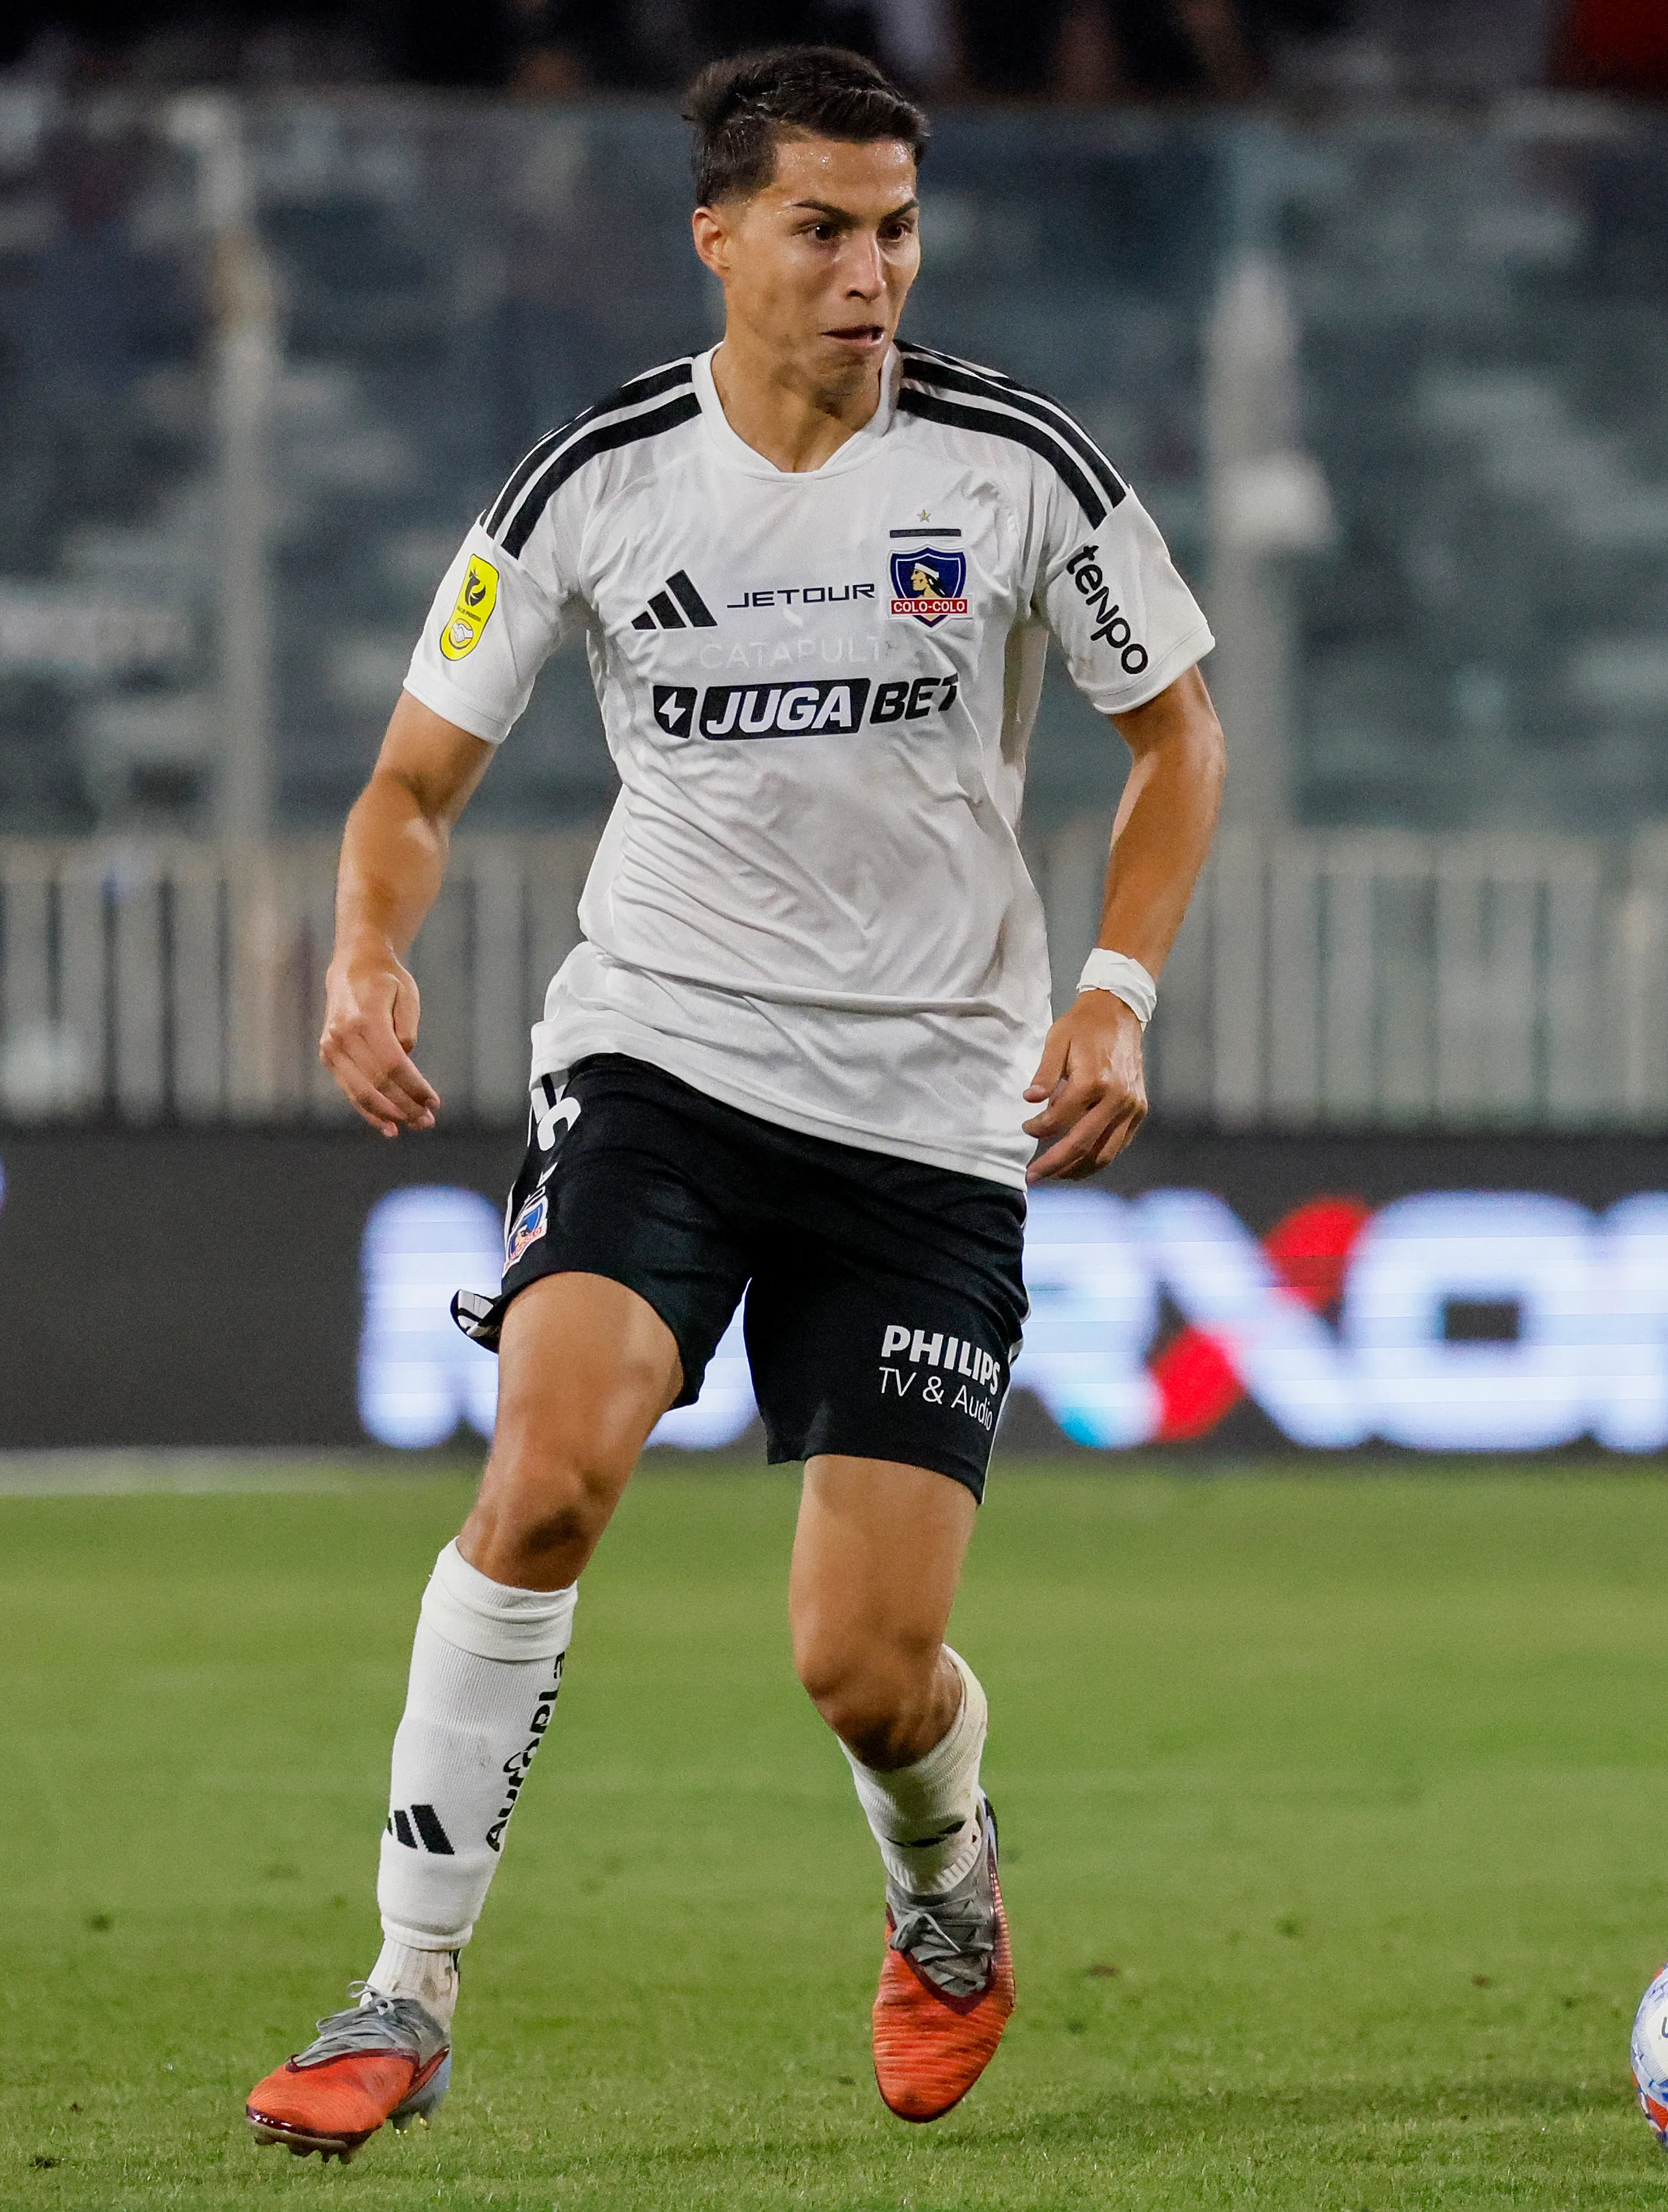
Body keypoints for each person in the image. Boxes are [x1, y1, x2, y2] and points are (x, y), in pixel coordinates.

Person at [242, 42, 1226, 2159]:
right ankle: (405, 1987)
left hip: (932, 1115)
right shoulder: (596, 481)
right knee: (546, 1481)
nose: (872, 273)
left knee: (864, 1670)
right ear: (717, 236)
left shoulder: (1015, 465)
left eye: (898, 230)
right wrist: (365, 946)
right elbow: (411, 783)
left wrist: (1117, 992)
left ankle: (945, 1883)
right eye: (822, 229)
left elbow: (1180, 737)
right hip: (660, 1060)